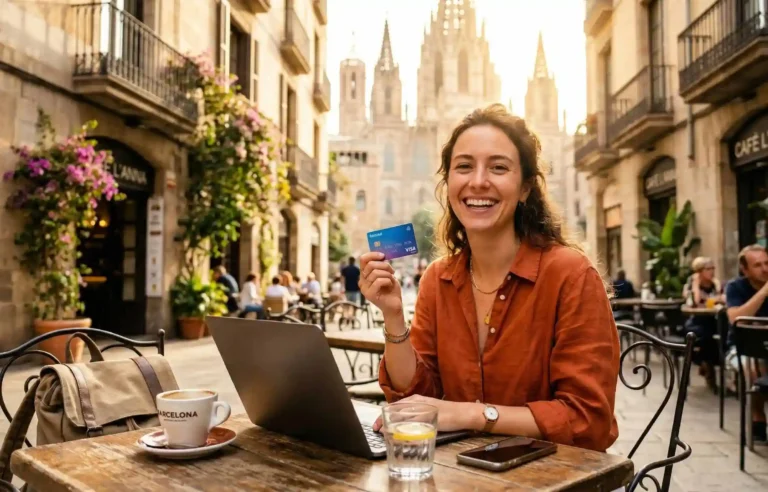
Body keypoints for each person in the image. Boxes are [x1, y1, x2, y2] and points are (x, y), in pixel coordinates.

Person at [363, 104, 620, 451]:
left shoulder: (571, 276)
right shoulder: (438, 280)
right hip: (459, 476)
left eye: (498, 167)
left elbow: (588, 422)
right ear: (449, 183)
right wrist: (393, 316)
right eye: (464, 166)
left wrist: (471, 415)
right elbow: (419, 399)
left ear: (526, 187)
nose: (478, 181)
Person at [725, 244, 768, 442]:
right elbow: (735, 318)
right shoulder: (735, 287)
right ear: (745, 269)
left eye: (767, 263)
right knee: (754, 367)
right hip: (741, 350)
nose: (765, 269)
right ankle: (757, 415)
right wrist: (765, 292)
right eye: (758, 265)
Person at [682, 257, 724, 390]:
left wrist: (716, 288)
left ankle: (704, 363)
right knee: (706, 337)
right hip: (695, 322)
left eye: (713, 268)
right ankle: (706, 367)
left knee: (719, 336)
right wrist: (695, 283)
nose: (712, 272)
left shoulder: (714, 284)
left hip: (713, 320)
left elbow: (723, 299)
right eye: (708, 269)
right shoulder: (691, 284)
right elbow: (694, 301)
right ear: (699, 271)